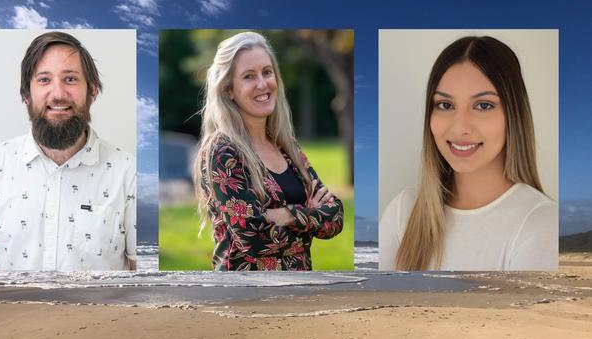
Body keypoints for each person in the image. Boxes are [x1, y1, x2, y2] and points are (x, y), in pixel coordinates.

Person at [379, 36, 557, 271]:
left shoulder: (543, 223)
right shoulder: (403, 211)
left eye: (483, 105)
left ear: (513, 115)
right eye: (445, 105)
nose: (459, 127)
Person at [0, 31, 136, 271]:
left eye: (70, 79)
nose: (57, 94)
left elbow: (139, 272)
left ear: (92, 91)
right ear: (27, 94)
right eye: (44, 80)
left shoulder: (128, 172)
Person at [194, 31, 344, 271]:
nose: (262, 84)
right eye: (249, 76)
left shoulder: (286, 146)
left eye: (267, 72)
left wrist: (285, 215)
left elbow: (335, 218)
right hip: (245, 296)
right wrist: (310, 217)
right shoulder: (223, 151)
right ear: (229, 90)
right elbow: (252, 240)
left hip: (299, 292)